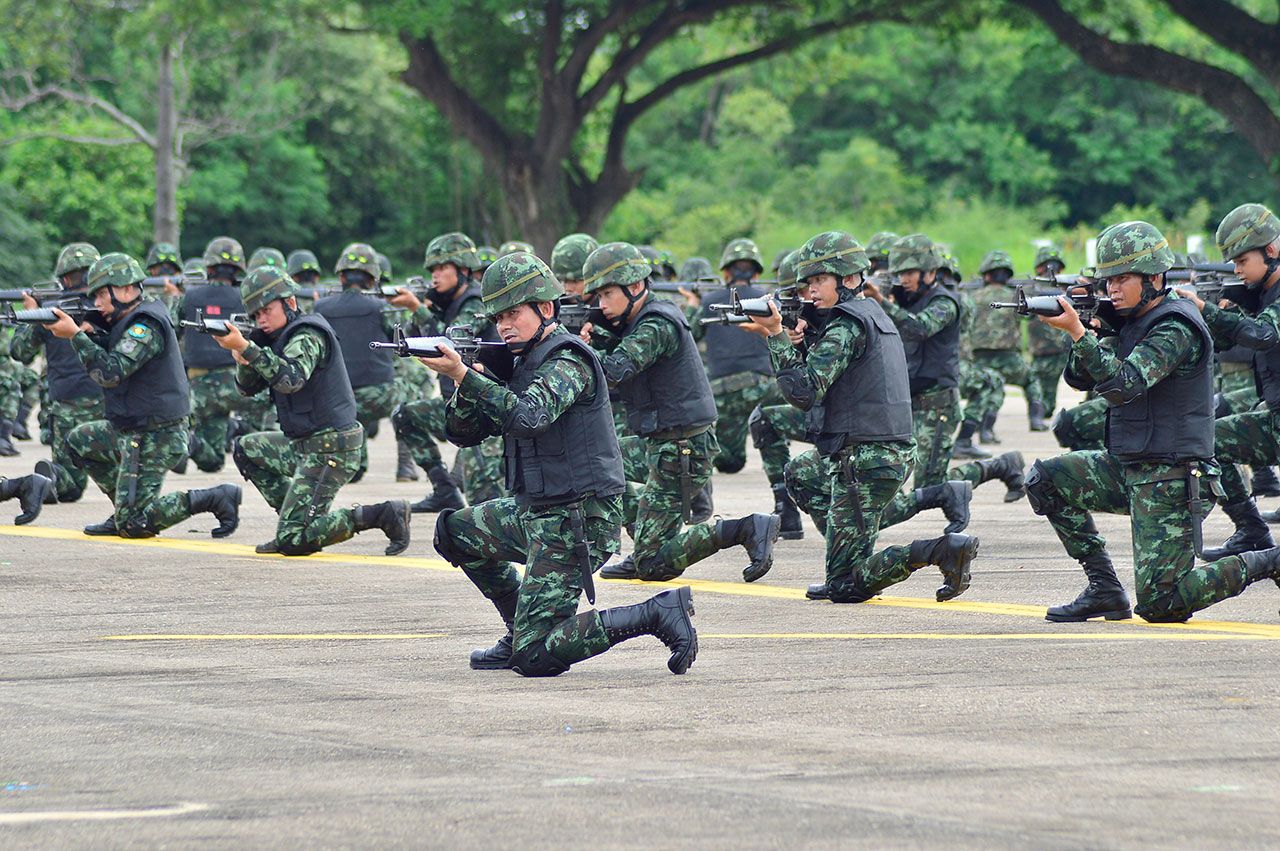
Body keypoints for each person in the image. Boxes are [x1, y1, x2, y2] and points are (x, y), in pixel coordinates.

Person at [424, 252, 697, 677]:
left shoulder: (568, 359)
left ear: (546, 309)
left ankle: (655, 612)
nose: (504, 325)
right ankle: (520, 627)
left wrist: (465, 376)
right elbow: (463, 434)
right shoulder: (516, 360)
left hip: (578, 521)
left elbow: (530, 417)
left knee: (535, 659)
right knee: (451, 532)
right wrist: (471, 379)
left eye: (513, 313)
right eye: (498, 318)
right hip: (539, 510)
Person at [1030, 221, 1280, 623]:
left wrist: (1079, 331)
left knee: (1162, 606)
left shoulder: (1175, 325)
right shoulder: (1130, 319)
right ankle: (1104, 588)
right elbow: (1079, 379)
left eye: (1122, 279)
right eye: (1107, 281)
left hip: (1172, 477)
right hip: (1130, 465)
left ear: (1155, 278)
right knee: (1045, 479)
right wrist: (1089, 328)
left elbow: (1124, 384)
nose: (1112, 289)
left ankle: (1267, 560)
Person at [745, 231, 979, 602]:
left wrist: (775, 335)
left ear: (849, 279)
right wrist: (802, 340)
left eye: (820, 280)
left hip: (867, 461)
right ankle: (851, 552)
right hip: (873, 453)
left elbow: (803, 393)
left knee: (844, 588)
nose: (811, 290)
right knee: (802, 474)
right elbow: (843, 377)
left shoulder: (846, 325)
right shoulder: (869, 314)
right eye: (808, 282)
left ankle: (941, 551)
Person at [580, 242, 781, 583]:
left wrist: (580, 347)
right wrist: (598, 337)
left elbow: (615, 370)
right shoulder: (642, 317)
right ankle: (650, 530)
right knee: (589, 470)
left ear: (634, 287)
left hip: (682, 450)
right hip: (661, 443)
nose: (601, 305)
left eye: (607, 294)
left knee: (654, 565)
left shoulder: (657, 323)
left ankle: (744, 528)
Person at [221, 266, 411, 556]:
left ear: (290, 302)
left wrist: (248, 349)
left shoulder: (307, 335)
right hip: (305, 445)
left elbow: (291, 379)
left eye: (266, 310)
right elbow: (247, 390)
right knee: (247, 449)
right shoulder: (273, 338)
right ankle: (294, 519)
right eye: (255, 315)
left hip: (331, 449)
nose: (261, 319)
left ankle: (381, 515)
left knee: (293, 542)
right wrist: (242, 358)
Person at [53, 253, 240, 538]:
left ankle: (213, 497)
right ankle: (125, 506)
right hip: (133, 429)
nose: (98, 303)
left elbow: (111, 371)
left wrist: (75, 336)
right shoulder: (129, 320)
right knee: (79, 441)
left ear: (127, 289)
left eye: (103, 294)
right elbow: (116, 352)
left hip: (155, 436)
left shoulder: (146, 325)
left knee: (134, 526)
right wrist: (92, 335)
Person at [1176, 204, 1280, 560]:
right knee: (1211, 442)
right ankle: (1252, 531)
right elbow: (1229, 341)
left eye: (1241, 261)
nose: (1236, 270)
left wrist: (1210, 311)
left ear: (1271, 250)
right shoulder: (1263, 293)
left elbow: (1264, 334)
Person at [389, 232, 503, 511]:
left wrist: (418, 308)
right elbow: (421, 337)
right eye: (433, 270)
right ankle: (444, 491)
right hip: (455, 402)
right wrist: (424, 308)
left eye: (442, 268)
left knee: (482, 494)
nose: (435, 276)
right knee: (406, 416)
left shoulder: (477, 301)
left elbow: (448, 341)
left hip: (485, 408)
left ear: (463, 270)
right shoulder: (448, 303)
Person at [11, 243, 106, 502]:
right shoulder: (111, 308)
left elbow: (20, 351)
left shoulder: (53, 309)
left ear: (64, 278)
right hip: (110, 403)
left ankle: (46, 478)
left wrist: (31, 314)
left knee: (69, 487)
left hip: (67, 405)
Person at [313, 243, 400, 482]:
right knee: (408, 396)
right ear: (372, 279)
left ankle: (353, 461)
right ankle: (406, 464)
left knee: (350, 416)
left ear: (341, 276)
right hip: (378, 396)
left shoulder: (321, 307)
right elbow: (404, 340)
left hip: (336, 399)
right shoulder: (383, 307)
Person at [969, 250, 1049, 436]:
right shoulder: (1013, 297)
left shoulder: (972, 297)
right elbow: (1029, 317)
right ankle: (1036, 420)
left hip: (979, 358)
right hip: (1010, 358)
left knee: (991, 389)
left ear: (986, 274)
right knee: (1031, 380)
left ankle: (985, 429)